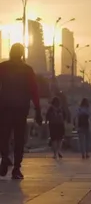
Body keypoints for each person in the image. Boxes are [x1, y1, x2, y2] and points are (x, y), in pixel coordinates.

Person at [0, 43, 42, 179]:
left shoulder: (3, 67)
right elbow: (34, 90)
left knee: (4, 136)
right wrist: (38, 110)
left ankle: (4, 159)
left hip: (5, 108)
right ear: (22, 54)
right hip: (21, 109)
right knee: (19, 138)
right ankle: (16, 168)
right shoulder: (28, 70)